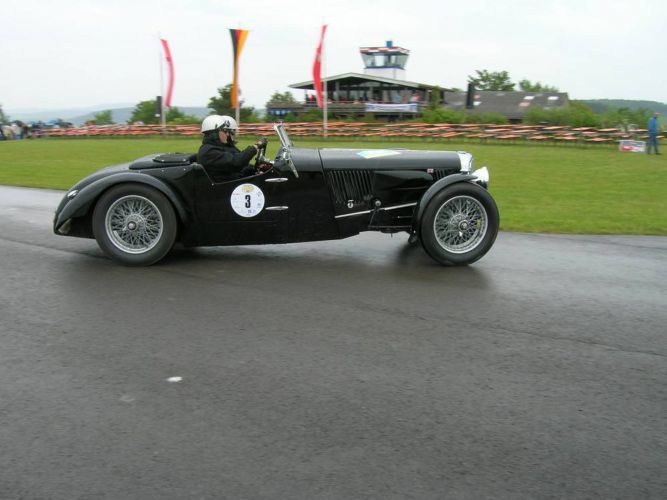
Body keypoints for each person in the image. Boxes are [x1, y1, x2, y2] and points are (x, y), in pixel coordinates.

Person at [197, 115, 266, 182]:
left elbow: (239, 168)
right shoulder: (209, 151)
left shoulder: (215, 148)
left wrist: (254, 169)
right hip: (224, 187)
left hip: (231, 184)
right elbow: (236, 162)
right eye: (225, 131)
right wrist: (255, 147)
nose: (227, 134)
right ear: (214, 132)